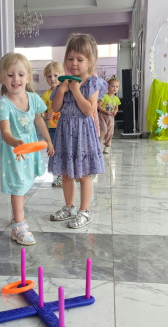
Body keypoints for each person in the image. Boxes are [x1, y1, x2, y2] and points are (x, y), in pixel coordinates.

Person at [48, 33, 107, 229]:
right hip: (65, 132)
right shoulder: (63, 82)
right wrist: (62, 90)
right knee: (66, 173)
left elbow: (89, 110)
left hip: (83, 133)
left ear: (90, 61)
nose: (74, 63)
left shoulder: (92, 83)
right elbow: (56, 107)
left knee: (83, 175)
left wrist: (75, 90)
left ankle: (84, 211)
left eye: (80, 59)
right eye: (70, 58)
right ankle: (69, 207)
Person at [0, 52, 55, 246]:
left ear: (28, 77)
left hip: (29, 148)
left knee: (25, 181)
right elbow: (5, 132)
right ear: (2, 78)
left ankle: (17, 216)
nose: (16, 79)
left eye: (21, 74)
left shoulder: (33, 98)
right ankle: (18, 226)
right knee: (18, 185)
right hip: (14, 150)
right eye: (10, 75)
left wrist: (49, 141)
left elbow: (39, 120)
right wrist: (16, 143)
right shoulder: (4, 104)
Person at [41, 60, 64, 187]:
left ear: (62, 75)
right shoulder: (46, 95)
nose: (53, 79)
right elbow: (41, 114)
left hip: (66, 127)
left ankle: (69, 173)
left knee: (66, 150)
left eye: (56, 75)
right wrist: (46, 115)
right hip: (53, 128)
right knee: (55, 151)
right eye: (49, 76)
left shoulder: (65, 91)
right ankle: (59, 175)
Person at [98, 78, 121, 154]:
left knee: (110, 132)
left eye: (117, 86)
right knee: (103, 130)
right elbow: (98, 105)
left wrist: (115, 111)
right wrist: (105, 111)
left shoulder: (116, 99)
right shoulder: (104, 96)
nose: (115, 88)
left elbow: (116, 107)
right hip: (102, 116)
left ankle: (107, 146)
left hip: (111, 117)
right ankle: (97, 144)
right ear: (108, 87)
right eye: (112, 86)